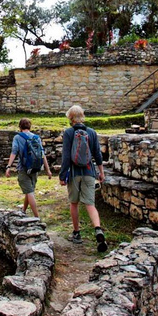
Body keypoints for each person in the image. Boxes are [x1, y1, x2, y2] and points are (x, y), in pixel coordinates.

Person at [59, 105, 107, 252]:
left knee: (74, 203)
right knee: (90, 204)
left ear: (70, 118)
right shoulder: (91, 132)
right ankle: (98, 229)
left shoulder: (68, 133)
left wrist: (62, 175)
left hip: (74, 173)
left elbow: (66, 157)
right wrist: (101, 172)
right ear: (83, 116)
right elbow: (98, 155)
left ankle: (76, 233)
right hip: (89, 172)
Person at [6, 118, 52, 217]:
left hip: (24, 168)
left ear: (20, 126)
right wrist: (48, 170)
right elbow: (42, 154)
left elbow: (14, 152)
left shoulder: (17, 138)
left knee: (30, 192)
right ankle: (23, 210)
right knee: (29, 190)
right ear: (29, 126)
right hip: (35, 168)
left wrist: (8, 166)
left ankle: (36, 217)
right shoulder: (36, 137)